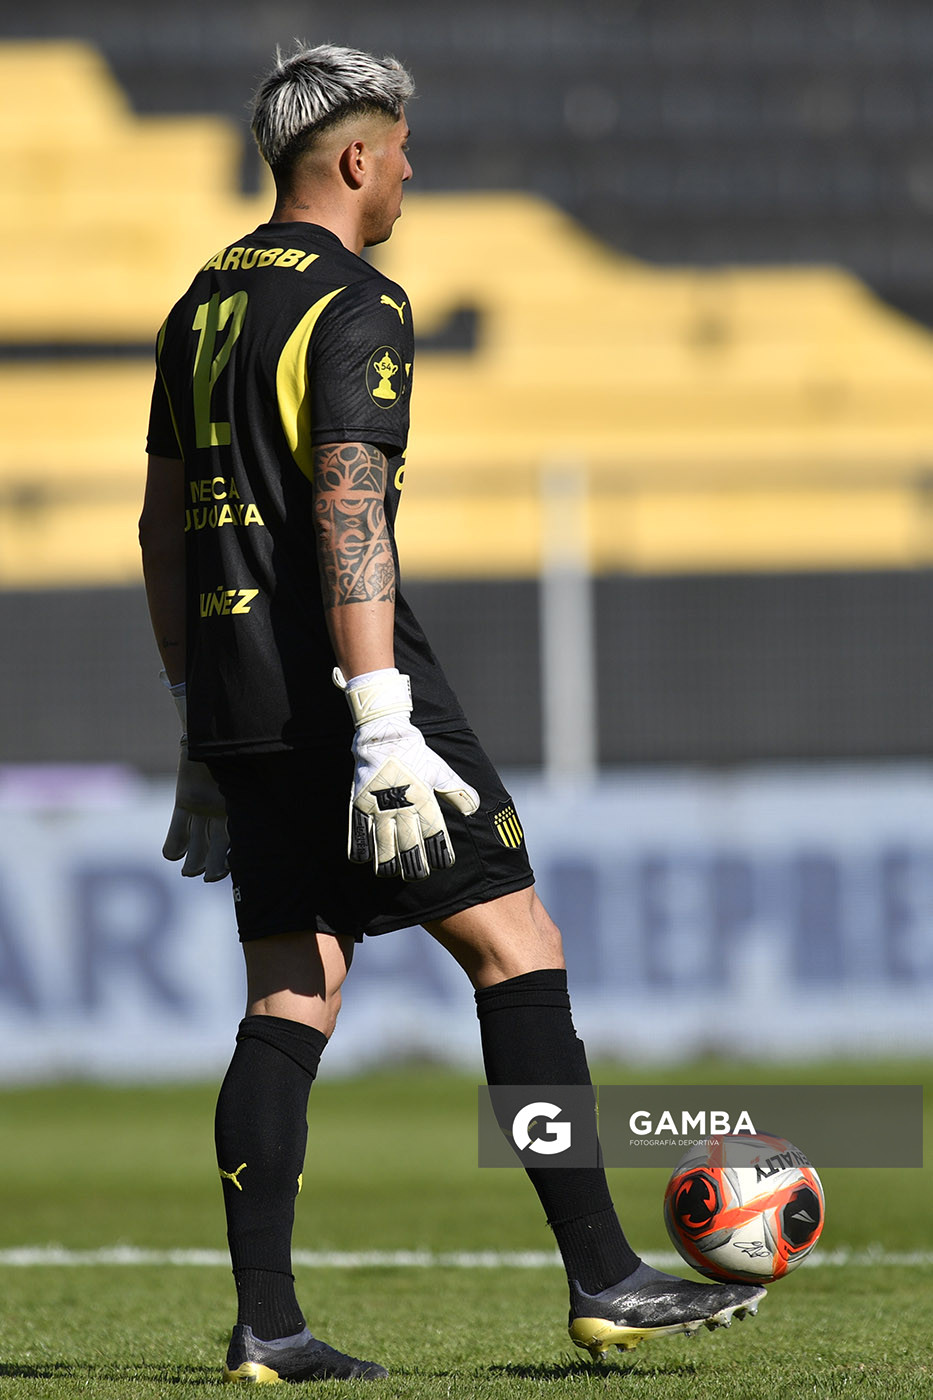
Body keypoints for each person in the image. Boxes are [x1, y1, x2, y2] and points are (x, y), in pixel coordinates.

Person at [139, 41, 765, 1385]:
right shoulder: (358, 300)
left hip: (239, 697)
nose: (411, 170)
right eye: (402, 148)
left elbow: (161, 529)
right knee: (516, 945)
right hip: (351, 690)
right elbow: (346, 505)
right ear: (357, 159)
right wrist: (381, 721)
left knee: (293, 988)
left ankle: (269, 1326)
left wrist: (198, 713)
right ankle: (603, 1275)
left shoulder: (199, 304)